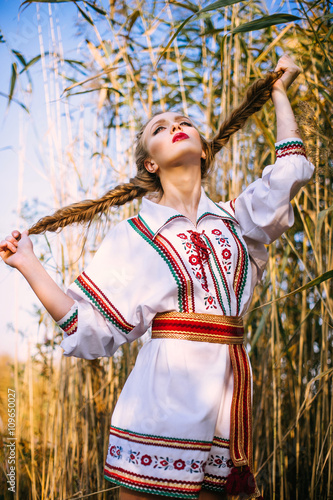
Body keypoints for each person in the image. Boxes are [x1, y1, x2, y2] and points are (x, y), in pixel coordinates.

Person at [1, 54, 314, 500]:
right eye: (159, 128)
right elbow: (90, 328)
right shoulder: (135, 237)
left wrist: (280, 92)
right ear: (151, 164)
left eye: (183, 121)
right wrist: (28, 263)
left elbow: (290, 173)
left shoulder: (237, 220)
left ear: (205, 150)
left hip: (226, 406)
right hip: (158, 408)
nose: (174, 126)